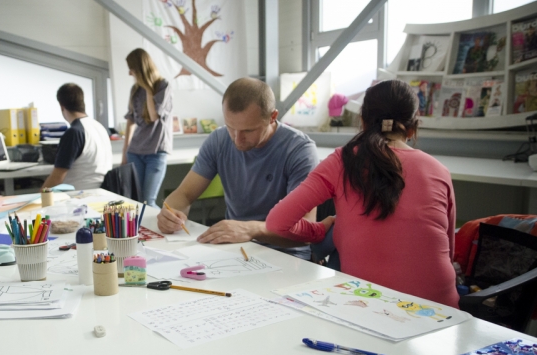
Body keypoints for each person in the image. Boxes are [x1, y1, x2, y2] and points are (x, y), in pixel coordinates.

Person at [265, 79, 458, 307]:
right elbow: (448, 251)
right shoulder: (439, 170)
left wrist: (319, 230)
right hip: (441, 310)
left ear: (363, 122)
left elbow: (277, 222)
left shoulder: (342, 160)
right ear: (412, 128)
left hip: (370, 306)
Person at [157, 77, 319, 259]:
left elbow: (306, 229)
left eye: (248, 130)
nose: (237, 139)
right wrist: (170, 214)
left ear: (272, 117)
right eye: (230, 127)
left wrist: (252, 230)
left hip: (287, 255)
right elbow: (185, 194)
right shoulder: (218, 140)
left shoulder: (299, 151)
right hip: (236, 248)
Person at [121, 48, 173, 208]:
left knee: (148, 202)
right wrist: (124, 153)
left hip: (156, 152)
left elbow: (154, 116)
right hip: (135, 151)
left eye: (131, 69)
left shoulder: (162, 86)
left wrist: (147, 87)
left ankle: (165, 223)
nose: (129, 73)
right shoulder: (135, 90)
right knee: (137, 202)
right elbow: (130, 121)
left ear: (140, 68)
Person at [42, 83, 112, 191]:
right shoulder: (99, 127)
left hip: (80, 195)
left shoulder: (74, 133)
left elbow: (56, 179)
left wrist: (37, 197)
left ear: (62, 106)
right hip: (103, 192)